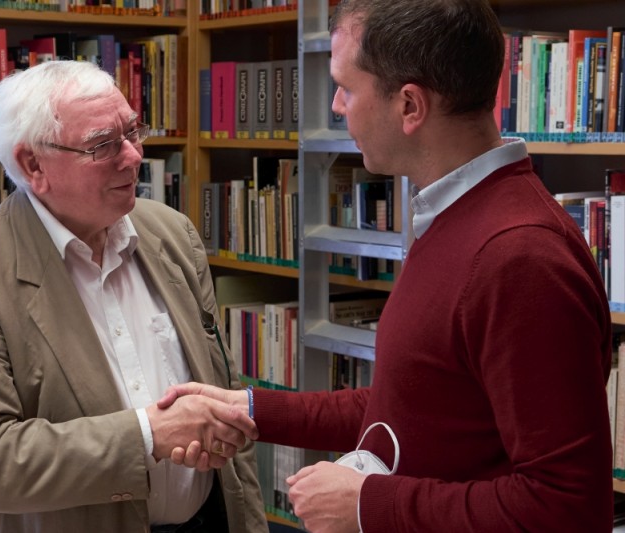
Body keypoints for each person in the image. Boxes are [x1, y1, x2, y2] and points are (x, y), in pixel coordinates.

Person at [159, 0, 614, 531]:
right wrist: (251, 409)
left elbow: (567, 508)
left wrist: (366, 504)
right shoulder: (456, 216)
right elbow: (419, 404)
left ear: (410, 105)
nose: (335, 105)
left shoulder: (519, 257)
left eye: (347, 88)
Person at [0, 60, 266, 533]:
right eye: (103, 145)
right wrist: (149, 435)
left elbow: (221, 388)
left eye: (132, 131)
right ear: (32, 164)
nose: (133, 156)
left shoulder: (171, 234)